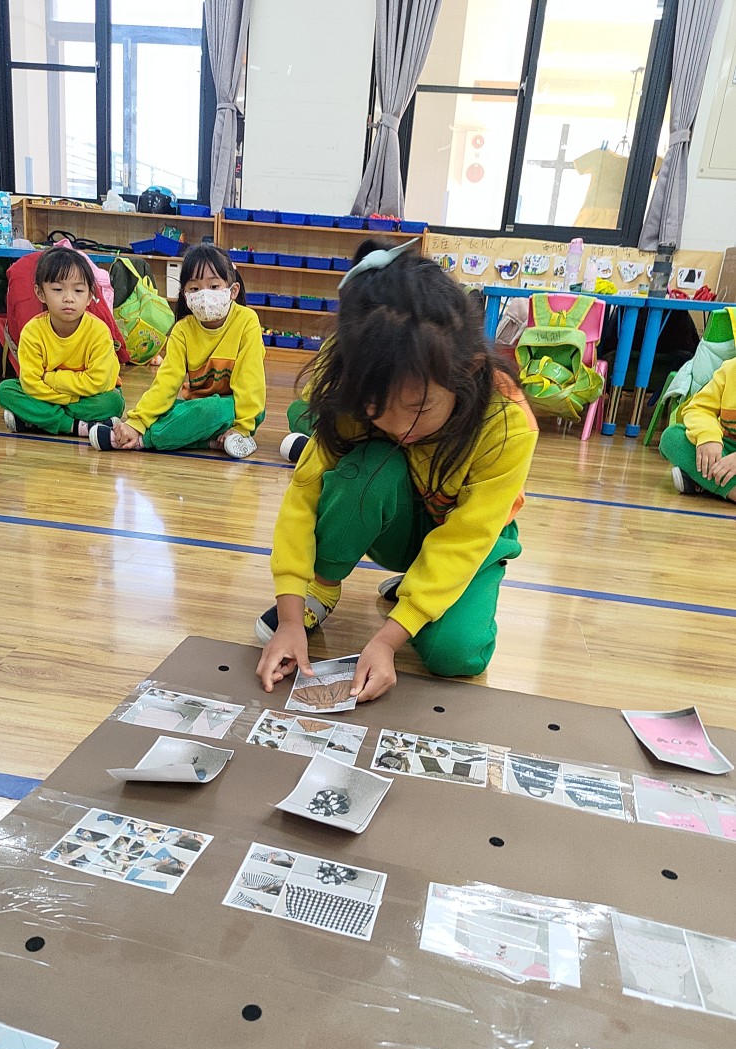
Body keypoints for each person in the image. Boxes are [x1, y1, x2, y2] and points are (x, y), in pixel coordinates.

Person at [256, 239, 538, 702]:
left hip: (472, 539)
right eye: (376, 409)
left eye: (419, 408)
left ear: (466, 372)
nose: (398, 427)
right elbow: (303, 497)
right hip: (399, 523)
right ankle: (320, 590)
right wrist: (289, 617)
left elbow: (466, 538)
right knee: (370, 468)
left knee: (457, 654)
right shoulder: (360, 386)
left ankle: (416, 587)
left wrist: (390, 638)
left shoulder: (506, 423)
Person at [89, 244, 265, 457]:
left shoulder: (247, 321)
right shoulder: (182, 330)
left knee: (215, 409)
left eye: (214, 286)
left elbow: (250, 380)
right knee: (171, 411)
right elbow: (167, 381)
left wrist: (243, 426)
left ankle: (142, 441)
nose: (204, 295)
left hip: (237, 410)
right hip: (195, 408)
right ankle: (208, 442)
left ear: (233, 291)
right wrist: (138, 421)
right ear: (185, 294)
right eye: (195, 289)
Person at [0, 247, 124, 436]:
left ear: (90, 296)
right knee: (6, 390)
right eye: (57, 289)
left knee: (113, 402)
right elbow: (31, 383)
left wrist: (50, 379)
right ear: (40, 293)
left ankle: (37, 420)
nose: (68, 298)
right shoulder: (32, 332)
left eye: (78, 290)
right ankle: (75, 426)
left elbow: (98, 382)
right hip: (66, 398)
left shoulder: (99, 332)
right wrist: (68, 398)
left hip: (86, 396)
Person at [660, 358, 736, 502]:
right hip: (728, 450)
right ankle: (712, 483)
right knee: (672, 437)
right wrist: (708, 437)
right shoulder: (729, 370)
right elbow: (699, 408)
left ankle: (704, 482)